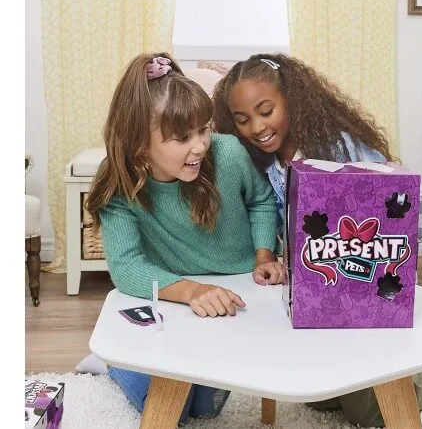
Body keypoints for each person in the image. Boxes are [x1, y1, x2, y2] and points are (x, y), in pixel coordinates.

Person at [212, 53, 422, 427]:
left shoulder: (342, 149)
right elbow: (266, 219)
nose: (257, 127)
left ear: (292, 100)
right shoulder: (258, 164)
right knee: (317, 397)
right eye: (242, 119)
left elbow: (393, 209)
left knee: (372, 412)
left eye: (266, 111)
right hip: (313, 289)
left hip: (364, 281)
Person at [84, 52, 283, 426]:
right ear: (139, 143)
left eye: (204, 129)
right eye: (182, 138)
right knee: (169, 407)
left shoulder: (229, 153)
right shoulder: (120, 180)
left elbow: (260, 199)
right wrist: (193, 291)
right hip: (176, 296)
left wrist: (263, 255)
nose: (200, 145)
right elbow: (126, 267)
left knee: (204, 406)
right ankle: (112, 363)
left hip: (240, 290)